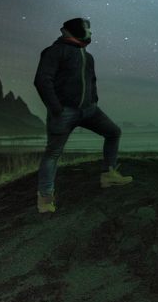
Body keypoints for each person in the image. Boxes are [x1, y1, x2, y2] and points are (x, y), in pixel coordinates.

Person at [33, 17, 131, 213]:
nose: (91, 33)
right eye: (87, 29)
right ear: (72, 30)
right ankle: (45, 198)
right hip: (64, 112)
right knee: (53, 153)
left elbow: (91, 80)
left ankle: (108, 175)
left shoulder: (88, 55)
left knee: (113, 132)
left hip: (89, 110)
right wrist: (56, 109)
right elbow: (42, 81)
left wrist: (93, 99)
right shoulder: (54, 51)